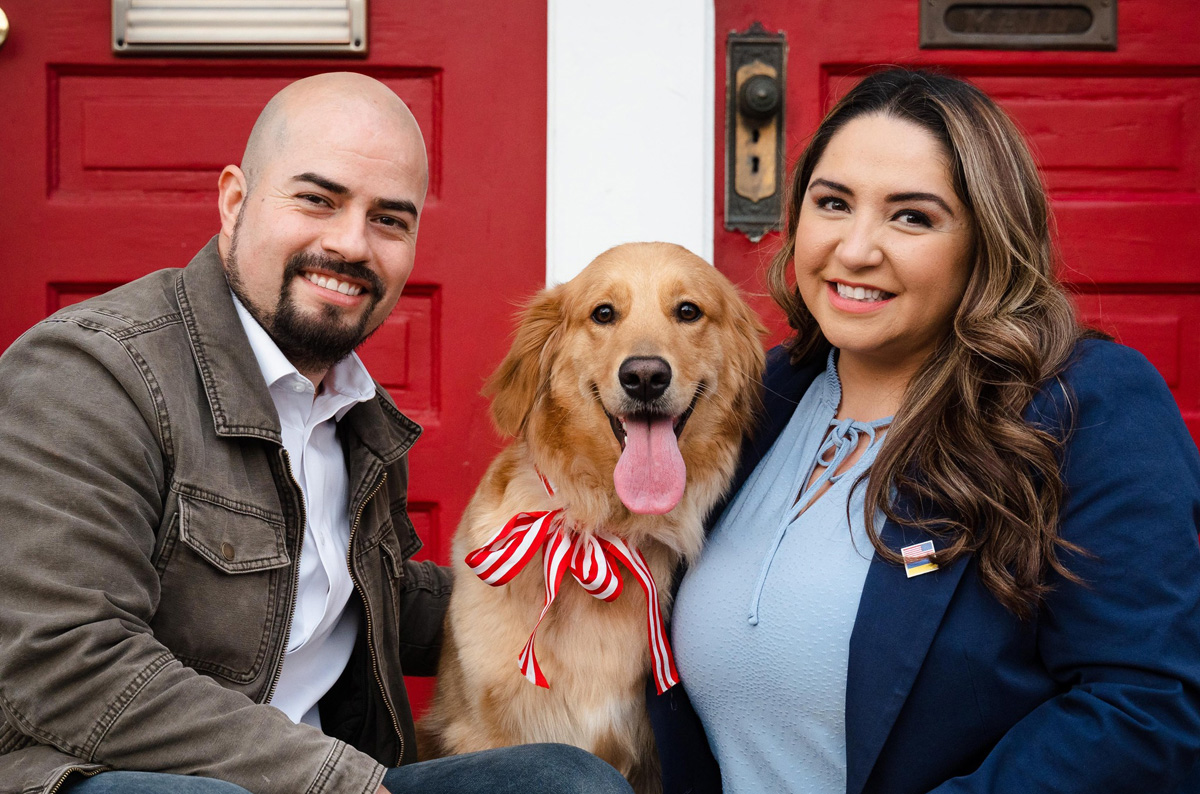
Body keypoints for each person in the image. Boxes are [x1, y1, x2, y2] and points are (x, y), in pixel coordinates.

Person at [0, 73, 631, 794]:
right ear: (235, 201)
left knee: (569, 784)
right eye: (318, 200)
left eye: (389, 220)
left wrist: (569, 580)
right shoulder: (92, 373)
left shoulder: (353, 414)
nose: (351, 243)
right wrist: (338, 779)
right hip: (126, 775)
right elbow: (64, 663)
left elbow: (374, 598)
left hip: (335, 778)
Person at [648, 67, 1200, 794]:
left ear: (985, 241)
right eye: (833, 203)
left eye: (912, 216)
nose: (855, 249)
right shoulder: (755, 395)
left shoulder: (1084, 406)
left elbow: (1149, 708)